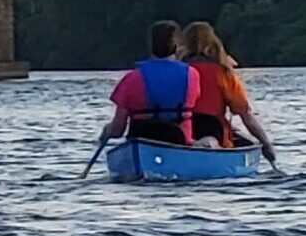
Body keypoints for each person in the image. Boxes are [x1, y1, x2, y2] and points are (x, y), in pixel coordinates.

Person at [182, 21, 278, 162]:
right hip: (213, 129)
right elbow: (246, 116)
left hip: (183, 128)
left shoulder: (178, 71)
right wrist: (266, 144)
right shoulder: (223, 73)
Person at [98, 20, 201, 149]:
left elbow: (118, 130)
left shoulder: (131, 79)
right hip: (179, 142)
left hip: (142, 141)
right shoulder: (192, 75)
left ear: (151, 46)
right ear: (176, 47)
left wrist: (106, 132)